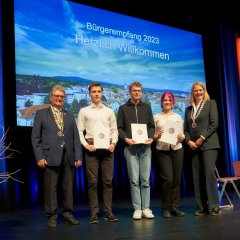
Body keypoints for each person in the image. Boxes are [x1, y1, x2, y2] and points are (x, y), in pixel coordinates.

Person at [31, 85, 83, 228]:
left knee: (68, 187)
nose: (59, 99)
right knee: (51, 188)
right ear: (51, 97)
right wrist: (39, 157)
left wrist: (78, 156)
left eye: (62, 96)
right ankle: (52, 216)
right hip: (50, 156)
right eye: (57, 96)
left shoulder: (70, 115)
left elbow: (76, 138)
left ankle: (68, 214)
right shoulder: (41, 114)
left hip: (69, 156)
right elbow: (35, 138)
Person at [77, 82, 118, 224]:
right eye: (93, 91)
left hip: (107, 149)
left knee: (108, 182)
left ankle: (108, 212)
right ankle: (94, 213)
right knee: (92, 183)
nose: (96, 94)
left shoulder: (109, 111)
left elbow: (115, 131)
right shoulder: (83, 111)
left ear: (102, 93)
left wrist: (113, 143)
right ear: (90, 94)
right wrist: (86, 145)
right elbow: (79, 132)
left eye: (99, 91)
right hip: (92, 148)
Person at [117, 81, 155, 220]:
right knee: (134, 180)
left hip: (145, 148)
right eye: (134, 90)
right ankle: (137, 208)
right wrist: (126, 139)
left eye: (139, 90)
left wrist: (151, 137)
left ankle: (146, 208)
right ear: (130, 92)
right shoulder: (122, 109)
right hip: (130, 148)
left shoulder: (147, 107)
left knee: (145, 180)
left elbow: (151, 126)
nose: (137, 93)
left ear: (141, 92)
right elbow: (119, 129)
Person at [184, 82, 221, 216]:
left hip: (209, 144)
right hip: (193, 147)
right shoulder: (188, 109)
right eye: (195, 91)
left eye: (200, 90)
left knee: (209, 174)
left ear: (204, 91)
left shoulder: (211, 103)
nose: (198, 92)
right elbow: (186, 129)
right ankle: (202, 207)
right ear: (192, 93)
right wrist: (188, 141)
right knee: (197, 177)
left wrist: (201, 139)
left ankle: (214, 206)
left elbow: (214, 124)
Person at [153, 92, 186, 218]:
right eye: (165, 100)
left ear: (173, 102)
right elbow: (153, 136)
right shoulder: (156, 117)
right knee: (168, 180)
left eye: (169, 100)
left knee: (177, 180)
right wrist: (157, 136)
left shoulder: (178, 116)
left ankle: (175, 207)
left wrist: (181, 137)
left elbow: (181, 135)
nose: (167, 102)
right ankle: (165, 208)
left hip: (177, 149)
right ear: (161, 102)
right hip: (162, 151)